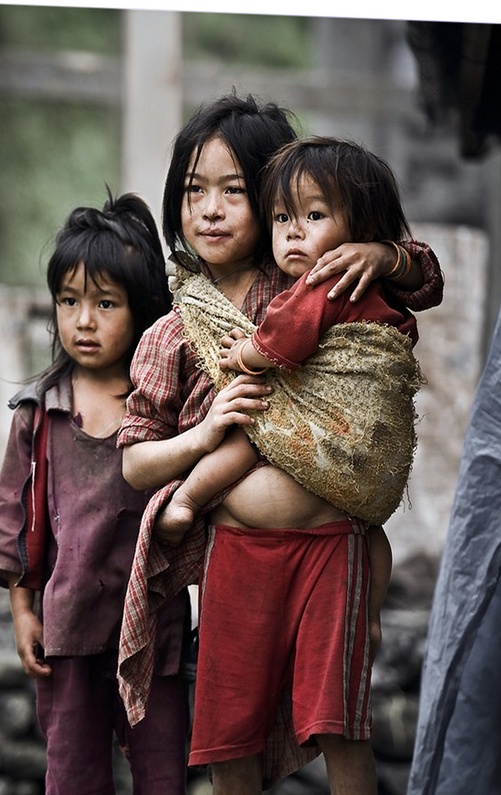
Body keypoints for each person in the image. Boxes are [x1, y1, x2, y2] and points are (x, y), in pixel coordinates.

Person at [116, 93, 444, 795]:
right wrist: (205, 432)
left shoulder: (305, 277)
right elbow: (133, 460)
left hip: (331, 540)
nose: (212, 208)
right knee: (224, 718)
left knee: (338, 714)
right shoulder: (173, 329)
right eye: (194, 190)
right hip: (235, 550)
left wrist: (387, 252)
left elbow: (416, 275)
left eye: (235, 190)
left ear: (280, 204)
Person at [0, 192, 196, 795]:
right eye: (69, 301)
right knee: (69, 757)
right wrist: (20, 609)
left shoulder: (161, 406)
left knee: (163, 755)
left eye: (104, 303)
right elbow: (10, 515)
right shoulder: (39, 412)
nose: (83, 320)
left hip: (154, 622)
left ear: (140, 311)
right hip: (69, 619)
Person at [155, 135, 426, 656]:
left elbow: (286, 339)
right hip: (354, 466)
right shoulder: (370, 279)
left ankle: (187, 498)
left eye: (315, 216)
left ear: (361, 231)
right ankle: (369, 616)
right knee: (369, 530)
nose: (294, 232)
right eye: (282, 219)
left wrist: (241, 357)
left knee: (251, 432)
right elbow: (424, 283)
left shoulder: (322, 281)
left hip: (344, 407)